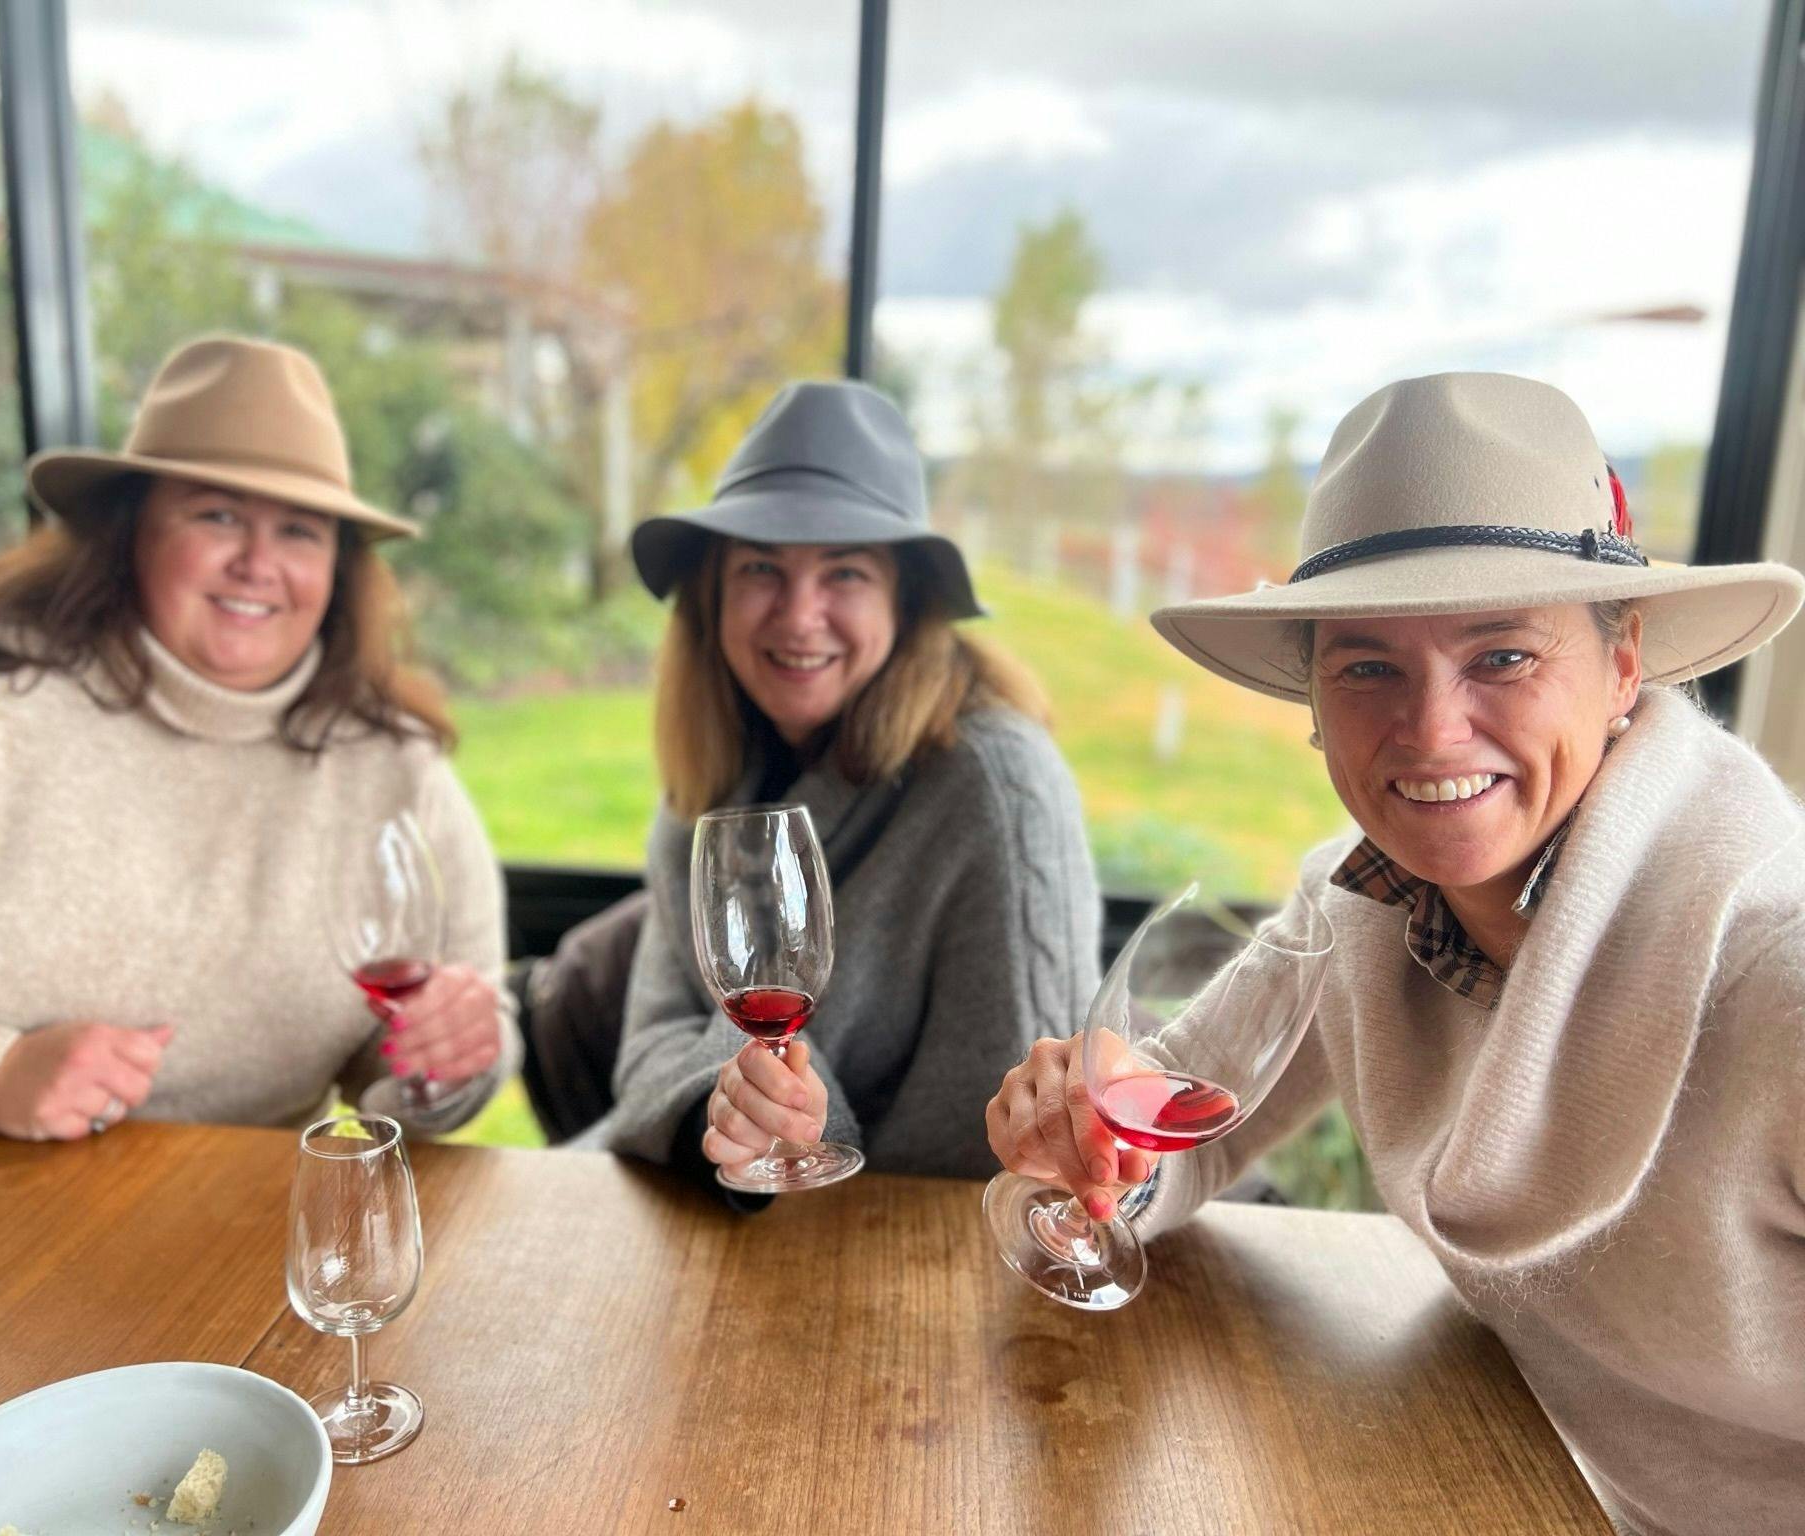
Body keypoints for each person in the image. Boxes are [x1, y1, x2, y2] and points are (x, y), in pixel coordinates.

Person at [985, 372, 1805, 1535]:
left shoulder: (1781, 974)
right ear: (1312, 700)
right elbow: (1179, 1137)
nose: (1429, 730)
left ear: (1624, 666)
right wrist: (1086, 1147)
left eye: (1502, 657)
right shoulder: (1356, 900)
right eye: (1366, 666)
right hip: (1536, 1489)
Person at [0, 335, 517, 1146]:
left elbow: (415, 1080)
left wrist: (452, 1061)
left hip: (221, 1232)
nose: (259, 563)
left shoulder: (390, 763)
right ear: (129, 530)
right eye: (217, 514)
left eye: (301, 531)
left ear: (340, 568)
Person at [584, 379, 1102, 1187]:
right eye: (761, 568)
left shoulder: (998, 787)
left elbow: (1032, 1145)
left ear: (906, 600)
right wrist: (733, 1104)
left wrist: (804, 1115)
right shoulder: (705, 790)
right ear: (711, 598)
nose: (798, 615)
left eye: (845, 574)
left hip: (926, 1253)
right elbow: (648, 1049)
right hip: (748, 1238)